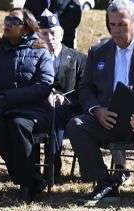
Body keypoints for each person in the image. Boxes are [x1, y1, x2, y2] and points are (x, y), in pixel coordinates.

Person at [66, 0, 134, 209]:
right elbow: (85, 88)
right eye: (112, 24)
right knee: (76, 125)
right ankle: (104, 183)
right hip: (109, 120)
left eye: (122, 25)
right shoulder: (98, 51)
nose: (116, 30)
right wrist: (96, 111)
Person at [0, 8, 54, 203]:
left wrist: (8, 97)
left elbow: (45, 85)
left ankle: (26, 185)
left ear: (26, 28)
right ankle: (32, 179)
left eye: (14, 21)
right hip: (1, 109)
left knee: (18, 124)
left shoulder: (40, 51)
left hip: (33, 110)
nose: (8, 23)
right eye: (7, 19)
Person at [38, 11, 85, 177]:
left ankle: (51, 170)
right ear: (38, 34)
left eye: (53, 32)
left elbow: (84, 88)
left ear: (62, 33)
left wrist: (65, 98)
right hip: (39, 109)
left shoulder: (79, 59)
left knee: (56, 116)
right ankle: (35, 169)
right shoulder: (34, 56)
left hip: (69, 111)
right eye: (44, 33)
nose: (49, 37)